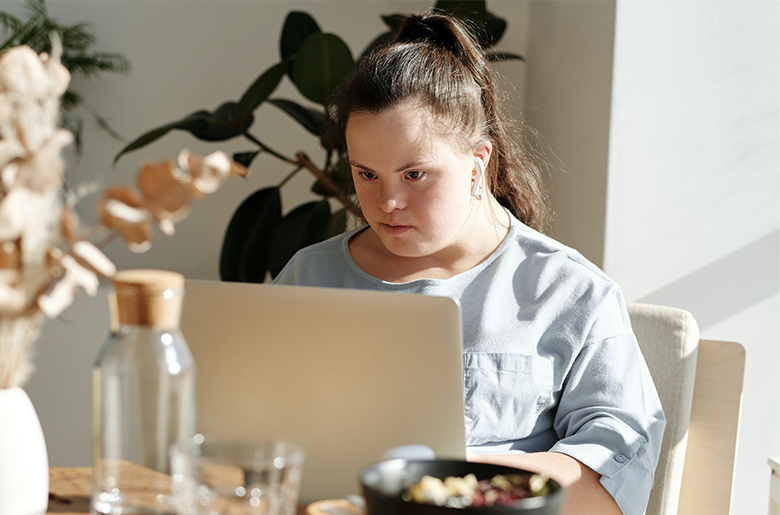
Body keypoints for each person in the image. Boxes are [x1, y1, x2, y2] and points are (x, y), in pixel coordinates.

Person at [272, 12, 665, 515]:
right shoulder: (309, 278)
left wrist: (450, 479)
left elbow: (612, 480)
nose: (387, 201)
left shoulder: (571, 294)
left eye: (414, 174)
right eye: (366, 174)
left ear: (477, 162)